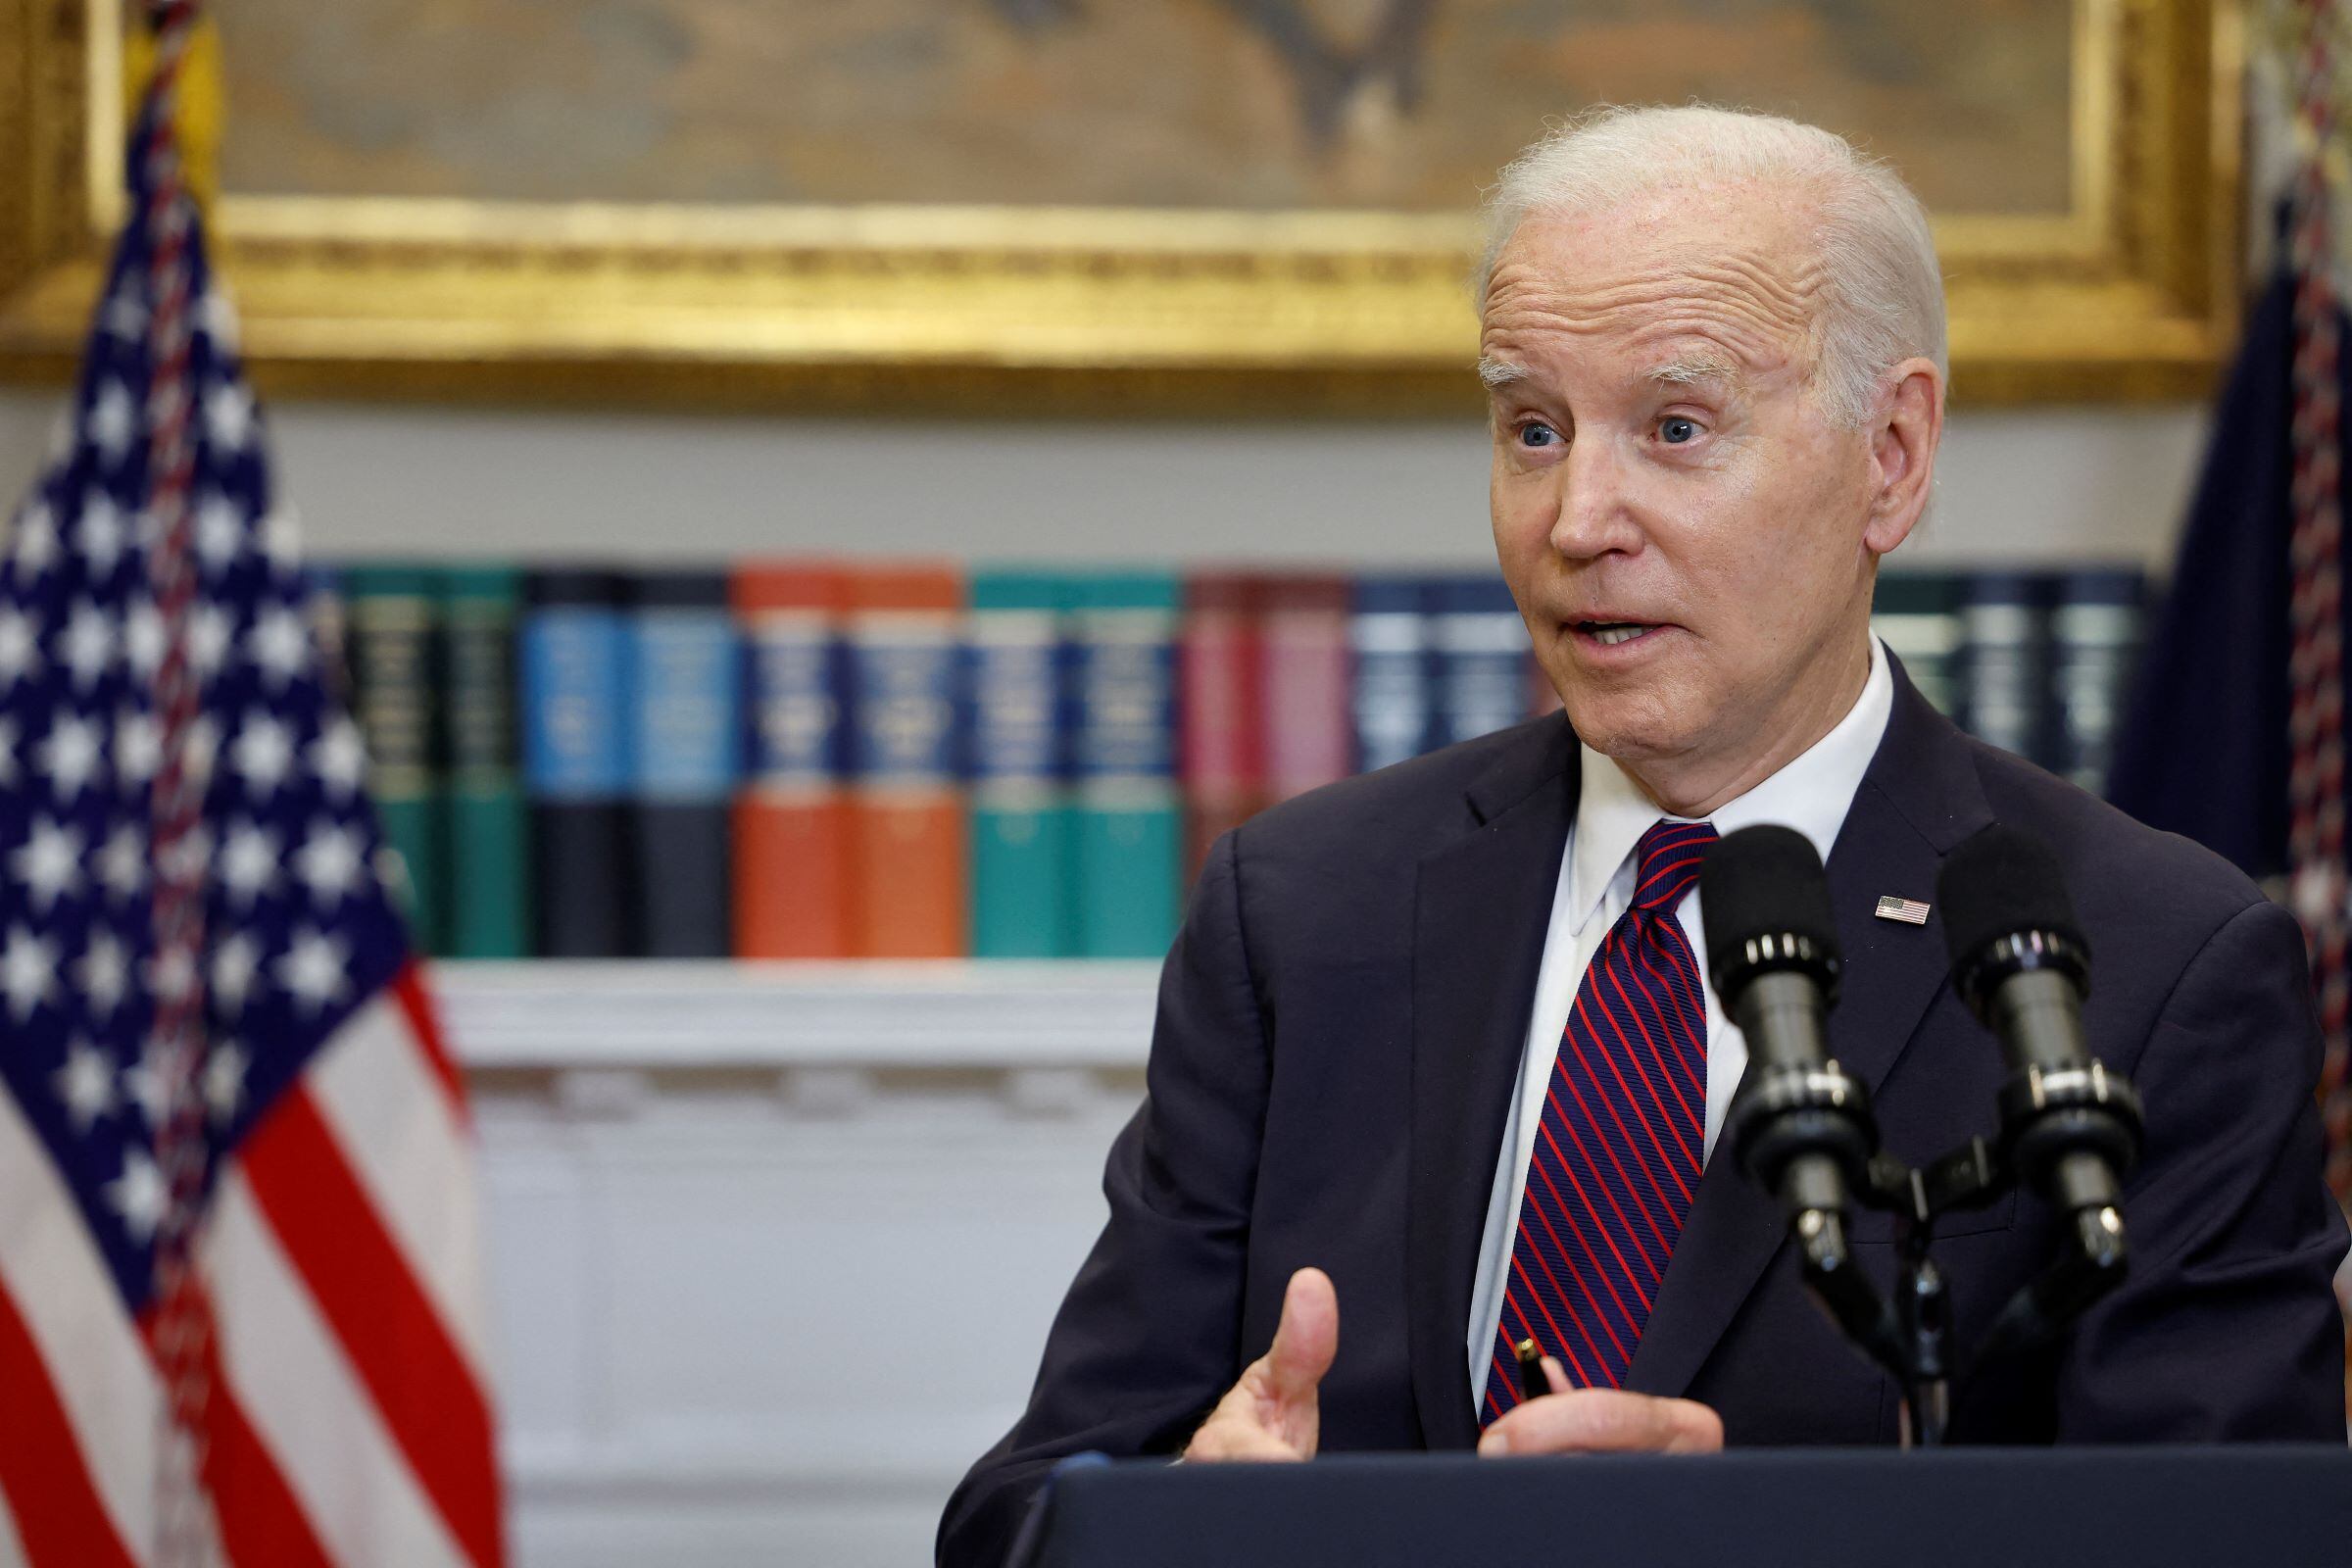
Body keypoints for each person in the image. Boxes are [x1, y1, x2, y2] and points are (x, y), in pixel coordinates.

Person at [939, 105, 2351, 1567]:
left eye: (1676, 428)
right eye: (1531, 428)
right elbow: (1021, 1515)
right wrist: (1183, 1520)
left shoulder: (2151, 966)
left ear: (1893, 455)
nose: (1577, 517)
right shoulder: (1303, 912)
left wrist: (1753, 1540)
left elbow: (2229, 1541)